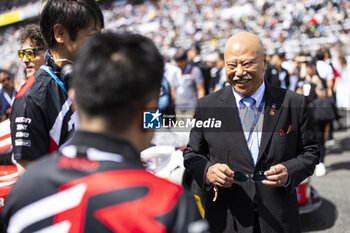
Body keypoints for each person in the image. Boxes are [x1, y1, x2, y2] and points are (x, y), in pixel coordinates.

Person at [2, 32, 206, 233]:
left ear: (73, 99)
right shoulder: (172, 205)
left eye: (30, 54)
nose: (26, 61)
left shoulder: (23, 192)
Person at [183, 32, 319, 233]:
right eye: (232, 65)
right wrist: (208, 172)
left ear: (264, 62)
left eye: (247, 64)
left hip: (279, 220)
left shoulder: (293, 103)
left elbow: (311, 152)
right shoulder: (208, 106)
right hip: (227, 220)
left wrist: (290, 171)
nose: (239, 72)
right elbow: (192, 154)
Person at [10, 0, 104, 175]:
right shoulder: (30, 98)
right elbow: (30, 181)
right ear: (60, 33)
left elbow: (139, 123)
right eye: (92, 35)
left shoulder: (92, 77)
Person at [172, 49, 205, 121]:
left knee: (189, 131)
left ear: (185, 60)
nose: (178, 64)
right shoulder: (175, 73)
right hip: (178, 108)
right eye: (177, 62)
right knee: (179, 131)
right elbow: (173, 90)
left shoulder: (195, 71)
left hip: (191, 108)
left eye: (180, 62)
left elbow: (200, 89)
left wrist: (199, 107)